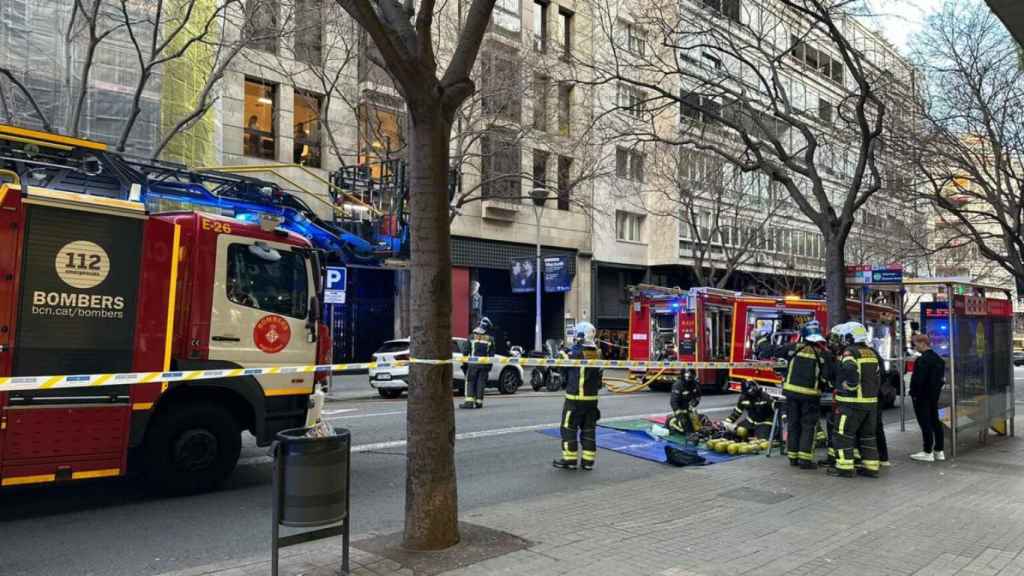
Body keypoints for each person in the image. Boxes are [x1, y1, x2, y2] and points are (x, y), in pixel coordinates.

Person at [829, 322, 883, 478]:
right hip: (870, 404)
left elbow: (850, 369)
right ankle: (871, 468)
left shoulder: (850, 353)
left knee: (843, 435)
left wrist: (851, 386)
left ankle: (844, 468)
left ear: (848, 337)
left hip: (851, 404)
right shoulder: (871, 352)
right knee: (868, 436)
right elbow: (878, 376)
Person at [776, 321, 830, 469]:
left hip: (791, 394)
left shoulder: (793, 348)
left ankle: (792, 457)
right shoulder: (822, 353)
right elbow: (827, 375)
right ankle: (804, 460)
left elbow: (774, 353)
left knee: (793, 425)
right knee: (808, 427)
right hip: (810, 396)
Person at [553, 322, 603, 471]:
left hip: (575, 399)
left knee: (568, 428)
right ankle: (588, 462)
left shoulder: (577, 351)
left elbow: (563, 361)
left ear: (581, 335)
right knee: (589, 430)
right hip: (592, 400)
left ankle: (570, 460)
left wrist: (561, 351)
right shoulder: (597, 352)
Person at [909, 333, 946, 462]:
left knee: (925, 423)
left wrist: (913, 393)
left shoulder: (922, 360)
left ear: (922, 343)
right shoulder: (938, 359)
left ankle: (927, 451)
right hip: (934, 396)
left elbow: (918, 380)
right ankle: (939, 450)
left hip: (921, 396)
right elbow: (941, 380)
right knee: (935, 421)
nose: (915, 347)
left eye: (915, 344)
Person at [460, 317, 494, 410]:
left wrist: (464, 364)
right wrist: (489, 367)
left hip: (472, 365)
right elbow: (491, 356)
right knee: (481, 383)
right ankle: (479, 402)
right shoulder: (490, 339)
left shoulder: (471, 337)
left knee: (470, 382)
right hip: (484, 365)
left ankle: (469, 402)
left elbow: (465, 351)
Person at [667, 370, 702, 435]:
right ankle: (677, 425)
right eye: (689, 377)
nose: (690, 379)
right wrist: (679, 414)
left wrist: (694, 403)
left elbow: (698, 396)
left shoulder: (695, 384)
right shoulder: (678, 385)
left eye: (692, 377)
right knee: (687, 427)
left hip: (689, 409)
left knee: (700, 422)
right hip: (680, 409)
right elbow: (673, 401)